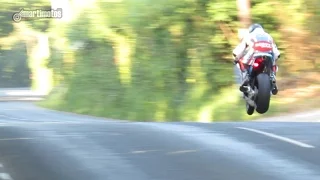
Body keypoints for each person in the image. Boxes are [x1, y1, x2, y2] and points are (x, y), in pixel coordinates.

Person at [232, 23, 280, 95]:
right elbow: (276, 53)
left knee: (242, 63)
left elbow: (239, 50)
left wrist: (236, 58)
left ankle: (246, 81)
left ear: (251, 30)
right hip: (268, 56)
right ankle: (273, 80)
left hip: (255, 55)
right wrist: (275, 60)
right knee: (273, 66)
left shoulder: (249, 36)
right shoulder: (268, 36)